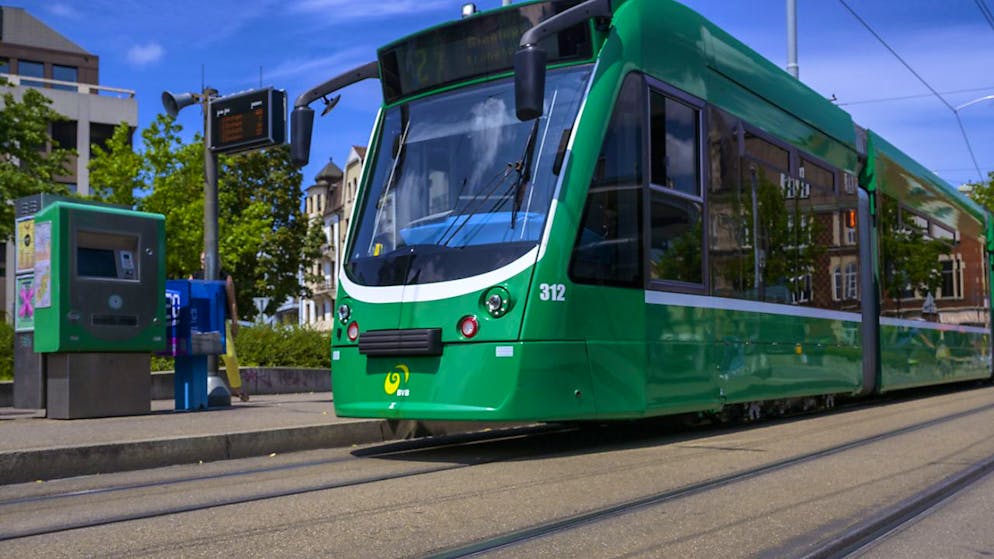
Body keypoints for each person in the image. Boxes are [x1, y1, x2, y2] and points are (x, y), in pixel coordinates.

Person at [193, 251, 249, 402]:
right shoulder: (195, 276)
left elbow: (232, 302)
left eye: (207, 259)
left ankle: (236, 388)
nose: (205, 262)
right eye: (202, 259)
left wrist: (235, 322)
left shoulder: (226, 278)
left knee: (229, 354)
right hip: (201, 320)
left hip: (220, 320)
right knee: (199, 354)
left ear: (217, 261)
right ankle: (198, 387)